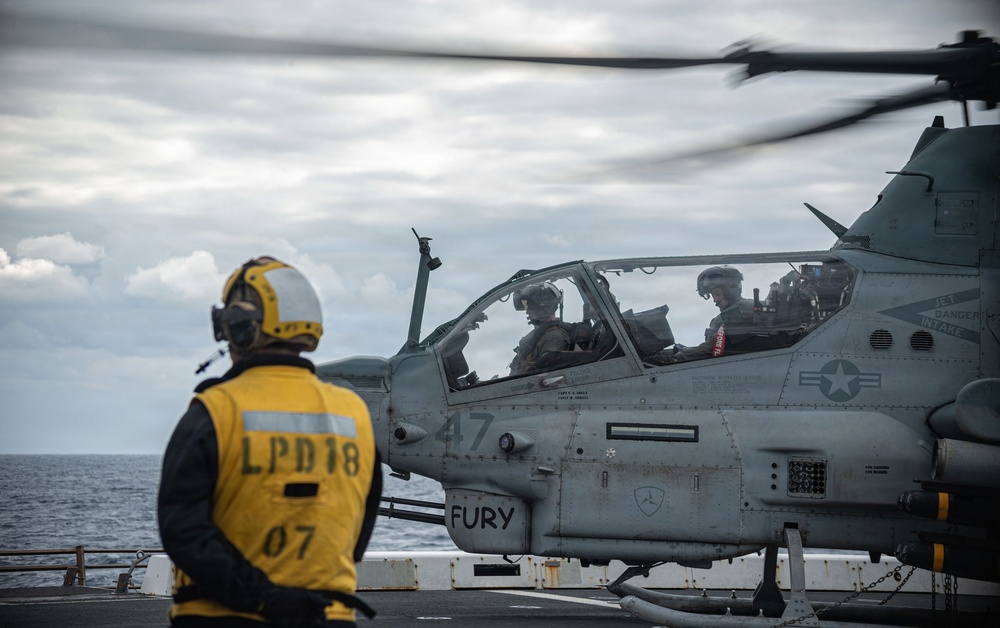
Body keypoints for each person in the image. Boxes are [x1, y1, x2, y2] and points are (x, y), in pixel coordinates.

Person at [158, 256, 382, 628]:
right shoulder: (354, 415)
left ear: (239, 328)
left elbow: (182, 530)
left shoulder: (215, 410)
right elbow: (359, 528)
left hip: (225, 617)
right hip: (329, 617)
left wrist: (265, 599)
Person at [673, 265, 756, 361]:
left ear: (730, 291)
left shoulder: (742, 313)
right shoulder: (737, 312)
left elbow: (710, 348)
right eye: (713, 295)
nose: (715, 300)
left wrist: (681, 356)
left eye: (717, 294)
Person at [509, 281, 571, 375]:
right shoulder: (542, 334)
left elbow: (548, 376)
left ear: (543, 307)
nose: (527, 312)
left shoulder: (553, 337)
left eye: (531, 307)